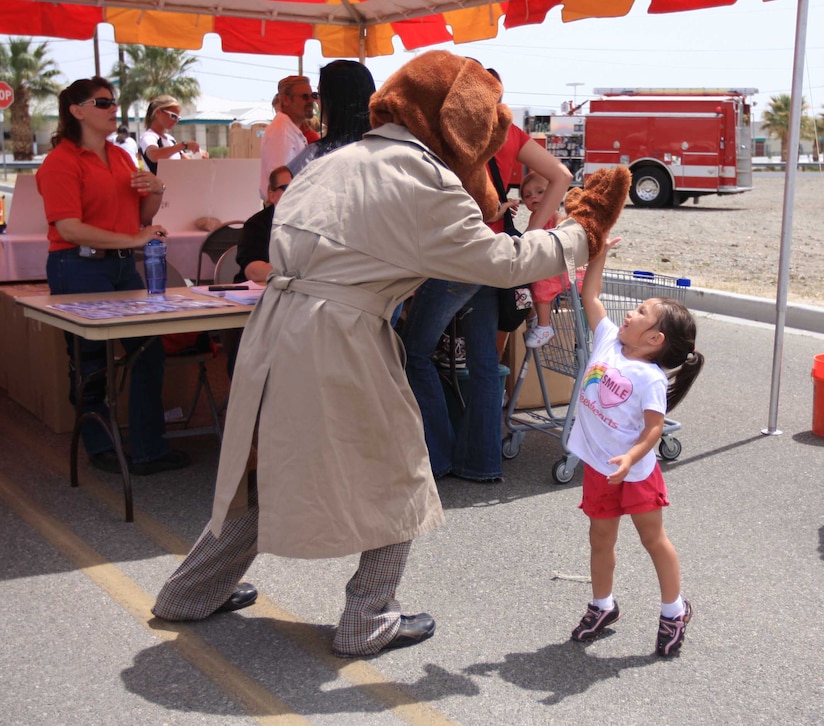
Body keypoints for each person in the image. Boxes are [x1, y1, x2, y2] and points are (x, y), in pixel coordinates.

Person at [150, 50, 629, 657]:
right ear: (458, 121)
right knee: (404, 470)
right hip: (341, 334)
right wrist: (582, 234)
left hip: (276, 327)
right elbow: (502, 262)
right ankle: (367, 617)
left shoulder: (331, 159)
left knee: (262, 467)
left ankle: (187, 593)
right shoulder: (425, 179)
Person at [398, 66, 572, 483]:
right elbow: (561, 176)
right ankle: (482, 464)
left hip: (458, 255)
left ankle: (437, 457)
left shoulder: (452, 130)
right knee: (482, 362)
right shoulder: (510, 133)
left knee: (413, 353)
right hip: (497, 256)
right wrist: (533, 232)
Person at [36, 77, 190, 476]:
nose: (112, 109)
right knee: (91, 362)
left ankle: (147, 449)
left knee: (147, 352)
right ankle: (101, 444)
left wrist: (157, 189)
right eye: (103, 103)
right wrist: (133, 237)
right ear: (77, 110)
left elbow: (141, 217)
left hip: (121, 265)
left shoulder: (121, 157)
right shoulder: (60, 162)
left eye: (113, 102)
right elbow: (68, 228)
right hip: (79, 265)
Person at [566, 238, 705, 657]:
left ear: (654, 338)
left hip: (637, 472)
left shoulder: (650, 379)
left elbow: (653, 431)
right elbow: (590, 294)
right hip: (599, 466)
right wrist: (599, 252)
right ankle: (603, 605)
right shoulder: (608, 339)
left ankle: (673, 611)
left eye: (641, 312)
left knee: (652, 539)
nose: (630, 312)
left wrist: (630, 457)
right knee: (600, 539)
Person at [287, 60, 376, 176]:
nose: (315, 102)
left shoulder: (313, 157)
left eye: (318, 95)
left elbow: (286, 188)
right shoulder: (387, 151)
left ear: (334, 101)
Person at [521, 170, 567, 348]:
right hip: (543, 267)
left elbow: (563, 238)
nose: (534, 197)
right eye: (527, 195)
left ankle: (544, 325)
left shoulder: (556, 217)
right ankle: (532, 315)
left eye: (540, 192)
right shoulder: (535, 218)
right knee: (519, 285)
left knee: (541, 285)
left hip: (556, 271)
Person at [260, 76, 314, 201]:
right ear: (285, 100)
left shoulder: (289, 130)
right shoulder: (282, 132)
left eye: (313, 96)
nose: (311, 101)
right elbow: (280, 184)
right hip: (283, 210)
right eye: (305, 97)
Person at [234, 166, 292, 284]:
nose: (293, 193)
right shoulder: (256, 225)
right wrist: (299, 270)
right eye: (287, 188)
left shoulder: (309, 224)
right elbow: (254, 272)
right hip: (255, 296)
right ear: (271, 194)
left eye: (298, 188)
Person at [140, 95, 202, 174]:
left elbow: (187, 163)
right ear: (158, 112)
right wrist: (183, 146)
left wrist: (199, 157)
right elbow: (154, 155)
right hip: (158, 185)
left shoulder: (170, 139)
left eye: (178, 118)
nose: (176, 121)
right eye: (173, 116)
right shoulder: (149, 136)